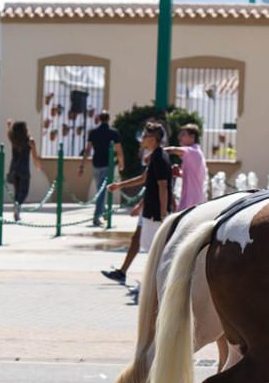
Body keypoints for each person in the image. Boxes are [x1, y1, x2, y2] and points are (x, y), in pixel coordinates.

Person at [102, 122, 173, 284]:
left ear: (153, 139)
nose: (142, 138)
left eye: (145, 135)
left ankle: (156, 285)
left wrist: (163, 214)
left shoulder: (160, 158)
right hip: (151, 211)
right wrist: (119, 185)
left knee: (156, 251)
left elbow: (163, 187)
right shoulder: (156, 156)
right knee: (152, 249)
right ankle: (150, 283)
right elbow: (144, 179)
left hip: (155, 214)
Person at [79, 111, 125, 227]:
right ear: (109, 119)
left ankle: (103, 211)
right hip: (107, 164)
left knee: (100, 189)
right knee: (102, 191)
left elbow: (88, 150)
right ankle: (96, 216)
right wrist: (121, 164)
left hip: (96, 164)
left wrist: (82, 165)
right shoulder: (113, 132)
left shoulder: (93, 132)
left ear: (99, 119)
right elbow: (119, 150)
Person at [6, 120, 45, 222]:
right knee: (24, 192)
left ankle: (17, 213)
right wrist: (38, 165)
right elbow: (35, 156)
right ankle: (17, 207)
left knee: (17, 191)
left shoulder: (13, 140)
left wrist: (10, 125)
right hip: (24, 169)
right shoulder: (30, 141)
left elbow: (9, 132)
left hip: (14, 169)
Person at [164, 123, 207, 209]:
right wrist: (179, 173)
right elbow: (193, 176)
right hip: (193, 199)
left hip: (191, 201)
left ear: (192, 137)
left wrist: (156, 152)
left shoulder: (192, 151)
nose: (179, 137)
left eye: (183, 134)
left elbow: (173, 149)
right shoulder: (195, 152)